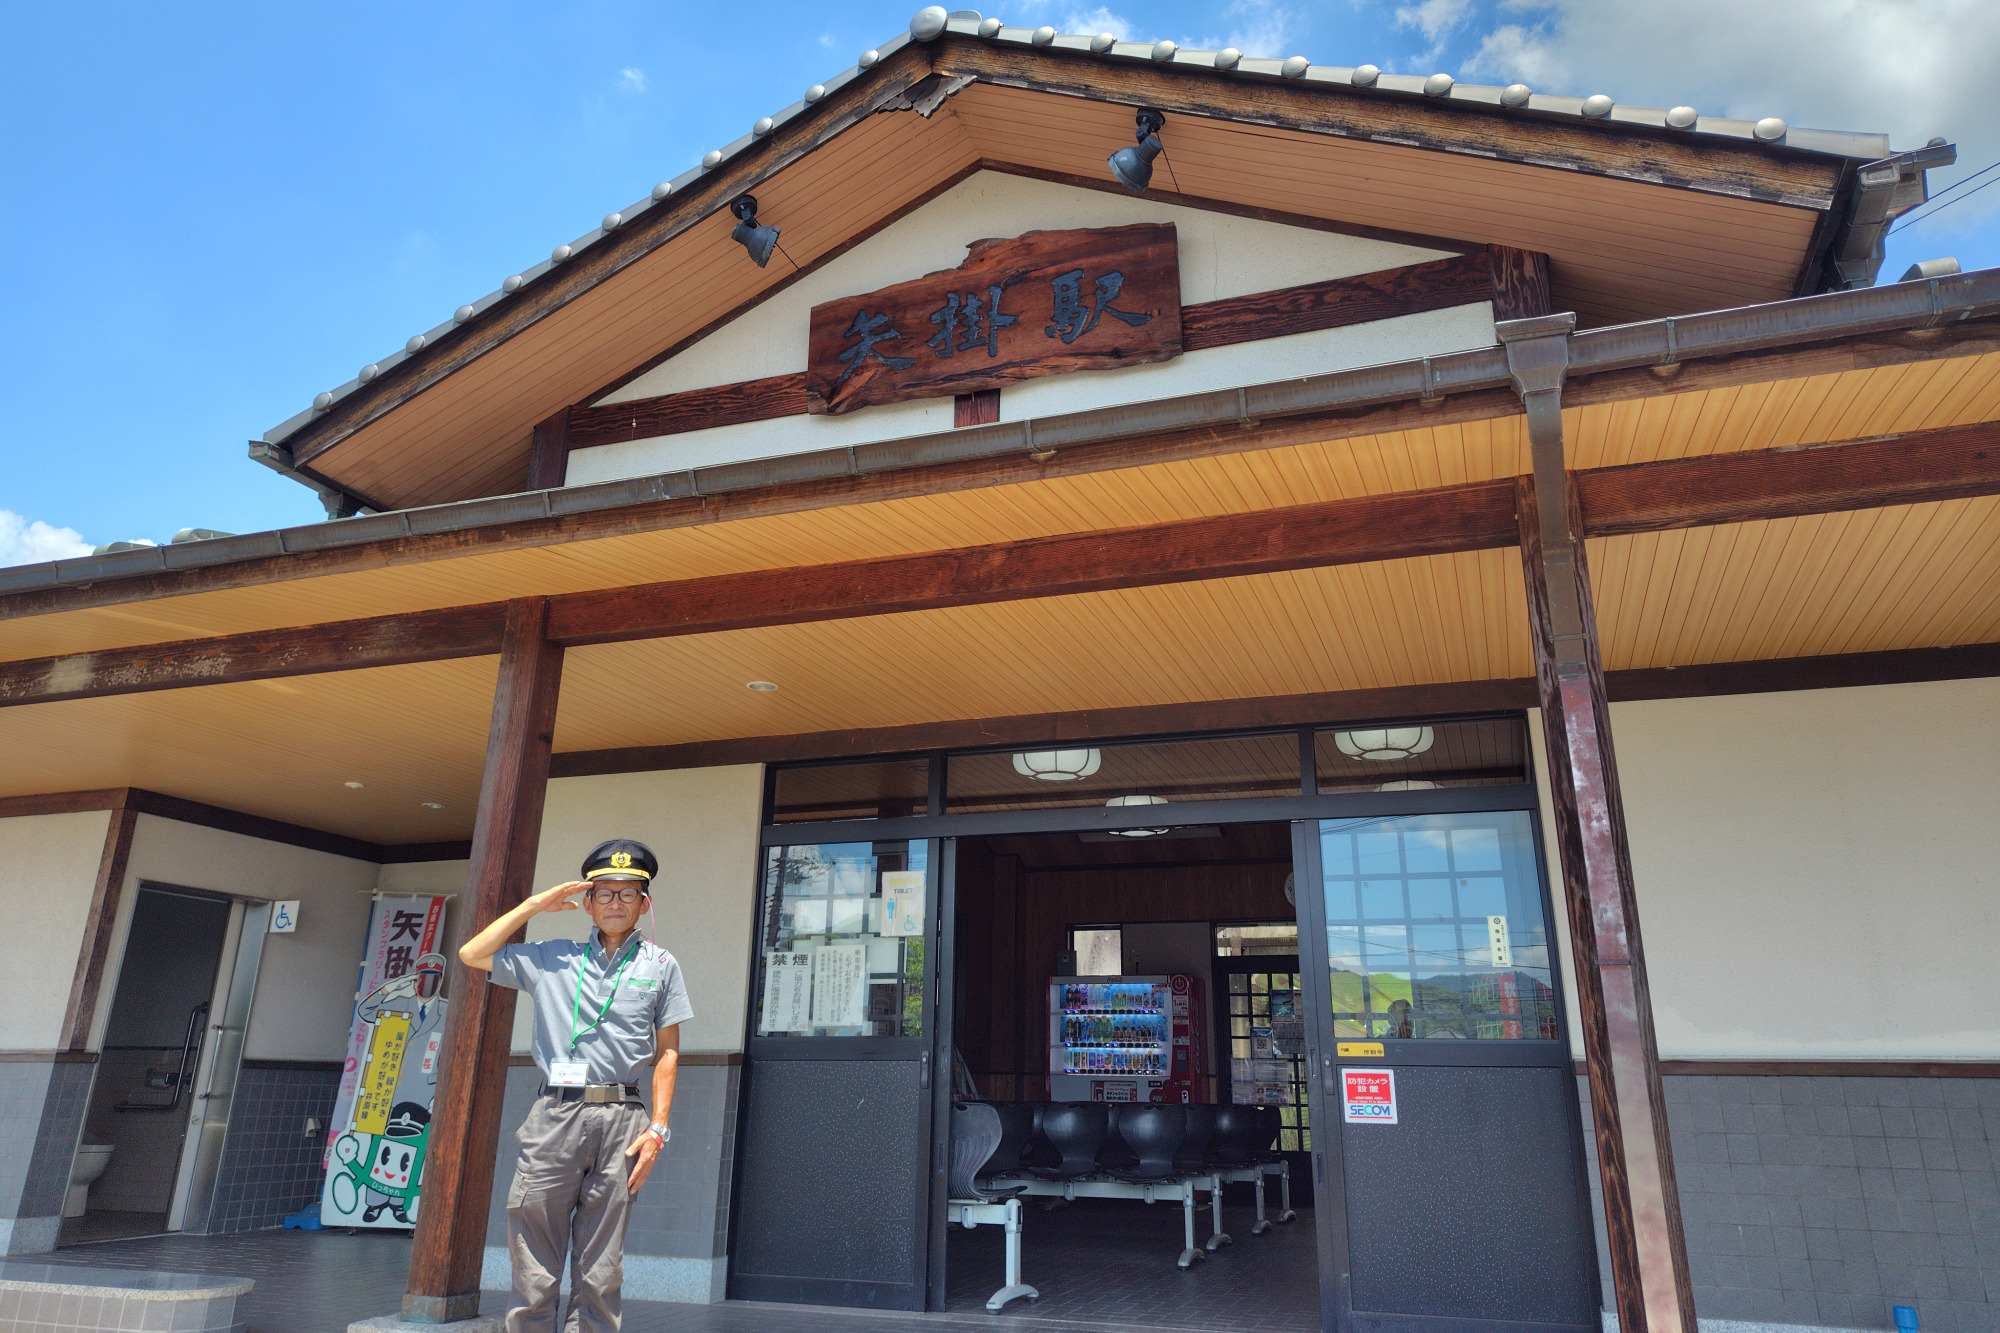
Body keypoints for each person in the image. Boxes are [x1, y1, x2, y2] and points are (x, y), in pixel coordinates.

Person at [459, 839, 692, 1333]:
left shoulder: (661, 965)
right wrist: (534, 905)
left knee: (602, 1269)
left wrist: (658, 1130)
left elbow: (668, 1051)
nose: (615, 903)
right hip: (555, 1116)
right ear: (586, 903)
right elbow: (471, 953)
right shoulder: (550, 957)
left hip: (624, 1121)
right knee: (533, 1265)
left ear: (643, 903)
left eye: (628, 894)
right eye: (604, 893)